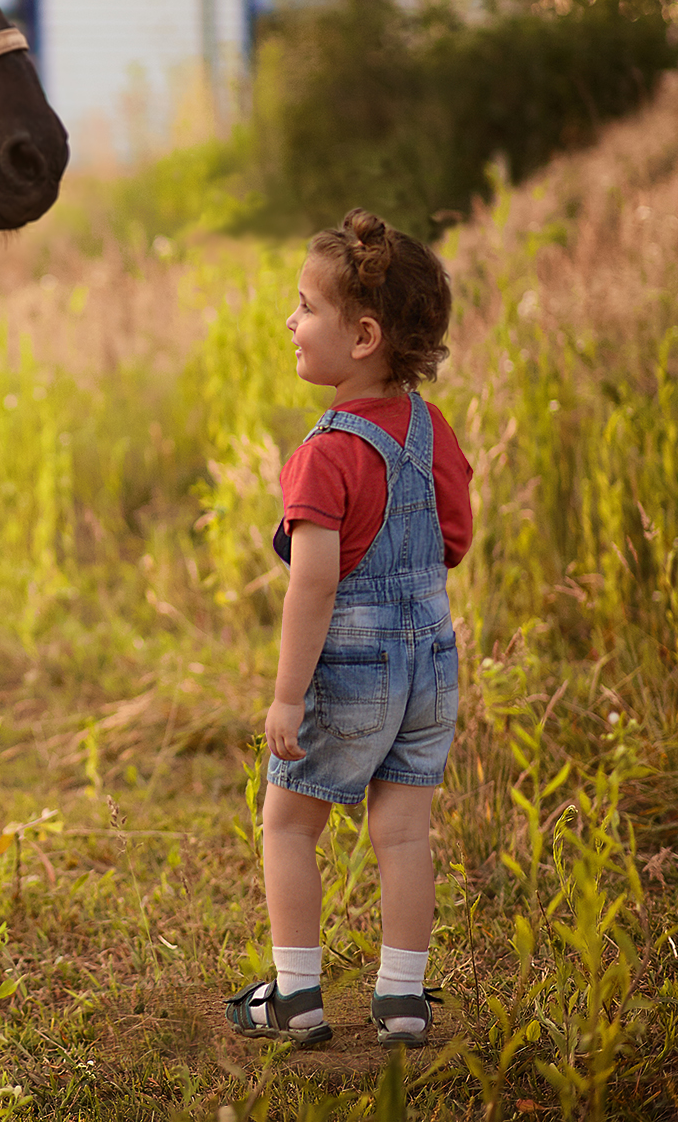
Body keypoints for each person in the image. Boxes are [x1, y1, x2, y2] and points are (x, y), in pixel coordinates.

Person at [225, 209, 472, 1049]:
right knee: (403, 831)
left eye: (305, 307)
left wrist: (288, 695)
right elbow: (455, 539)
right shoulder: (431, 430)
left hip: (354, 673)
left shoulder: (324, 454)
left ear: (363, 335)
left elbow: (316, 581)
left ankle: (296, 993)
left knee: (289, 822)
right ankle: (402, 999)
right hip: (434, 666)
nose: (289, 322)